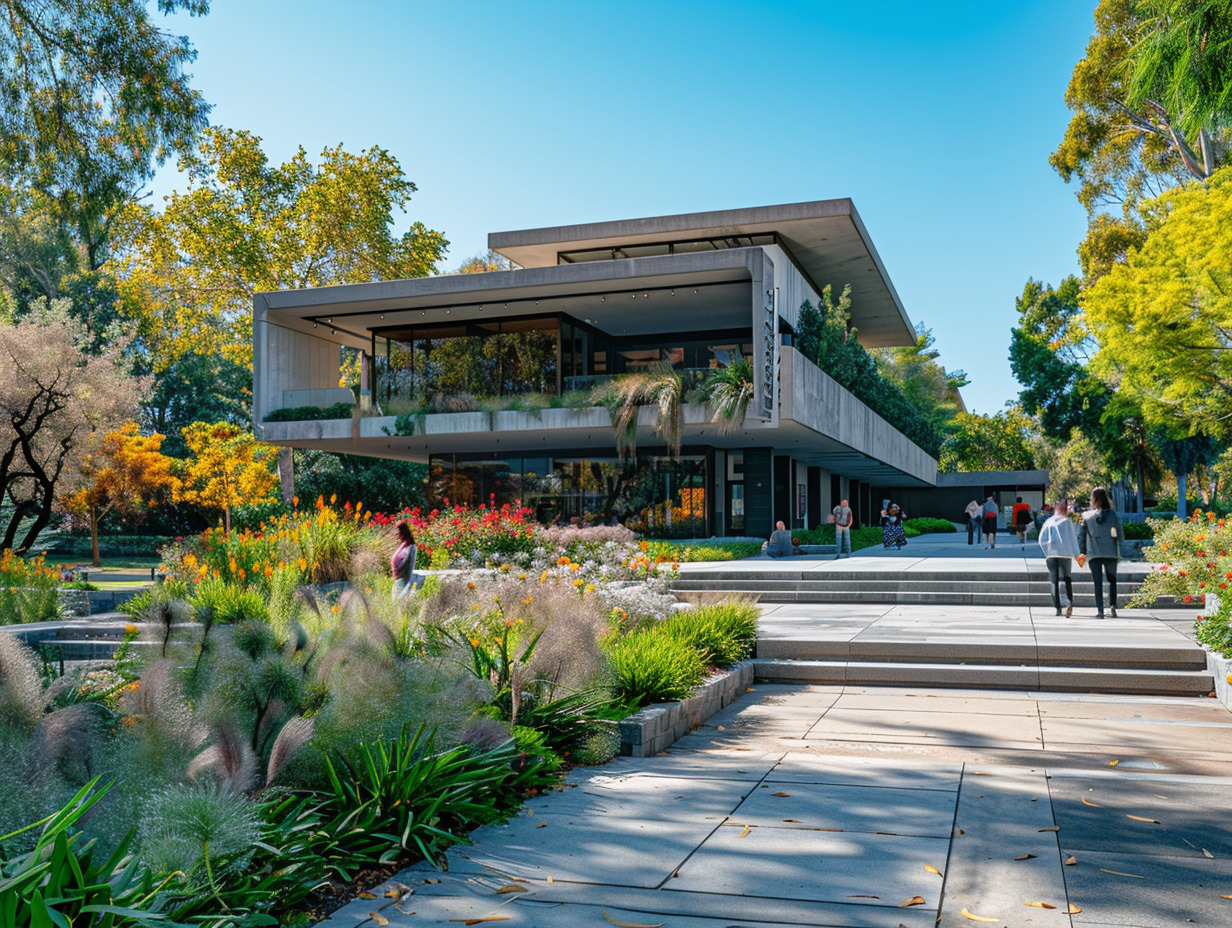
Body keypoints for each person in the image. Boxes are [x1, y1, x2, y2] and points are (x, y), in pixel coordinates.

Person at [1078, 486, 1123, 619]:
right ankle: (1113, 607)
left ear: (1094, 499)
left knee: (1097, 582)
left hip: (1094, 553)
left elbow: (1081, 537)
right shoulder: (1113, 515)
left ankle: (1100, 611)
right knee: (1112, 581)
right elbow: (1120, 533)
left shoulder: (1086, 516)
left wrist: (1082, 553)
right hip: (1110, 553)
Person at [1038, 499, 1080, 617]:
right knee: (1067, 578)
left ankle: (1057, 608)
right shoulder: (1067, 522)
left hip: (1051, 554)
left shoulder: (1048, 522)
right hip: (1065, 554)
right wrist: (1076, 554)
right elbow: (1073, 539)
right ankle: (1069, 603)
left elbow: (1041, 538)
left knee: (1054, 580)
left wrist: (1047, 551)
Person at [391, 519, 418, 602]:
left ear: (402, 532)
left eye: (397, 531)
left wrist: (408, 586)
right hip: (398, 579)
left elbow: (407, 565)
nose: (395, 534)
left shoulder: (410, 547)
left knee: (397, 603)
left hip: (403, 580)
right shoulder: (403, 546)